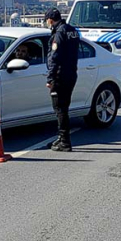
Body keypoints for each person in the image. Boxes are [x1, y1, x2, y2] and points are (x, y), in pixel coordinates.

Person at [45, 8, 79, 152]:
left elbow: (55, 57)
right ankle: (61, 138)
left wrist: (50, 77)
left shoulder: (59, 33)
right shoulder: (72, 30)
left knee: (60, 108)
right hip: (71, 73)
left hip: (60, 75)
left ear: (50, 20)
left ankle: (64, 141)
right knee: (64, 107)